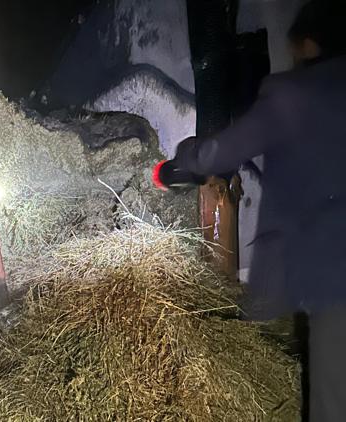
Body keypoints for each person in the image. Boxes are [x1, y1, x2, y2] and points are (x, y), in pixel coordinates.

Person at [154, 1, 346, 420]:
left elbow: (222, 149)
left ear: (309, 44)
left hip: (337, 272)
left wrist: (181, 160)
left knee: (333, 394)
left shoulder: (294, 95)